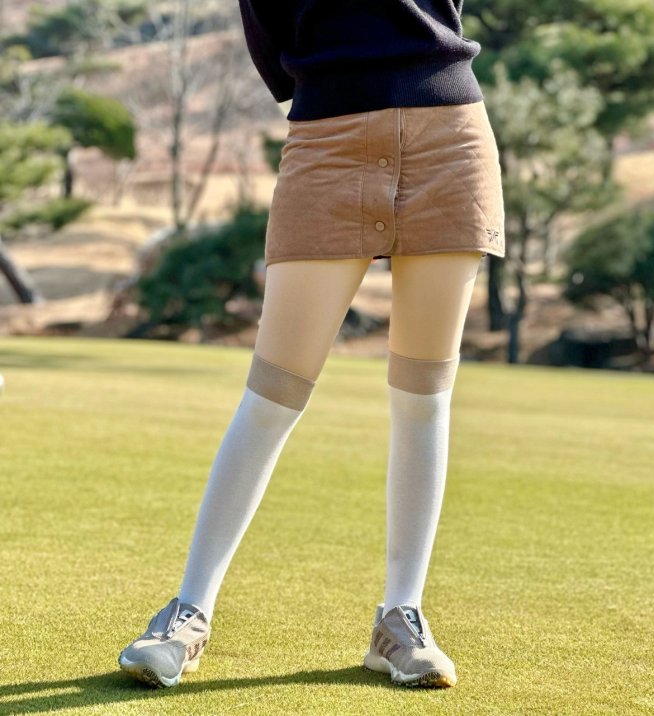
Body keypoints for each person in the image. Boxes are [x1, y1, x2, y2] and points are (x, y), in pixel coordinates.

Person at [118, 0, 505, 689]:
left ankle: (401, 618)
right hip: (328, 140)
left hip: (449, 135)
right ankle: (187, 614)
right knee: (273, 394)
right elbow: (268, 32)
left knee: (424, 395)